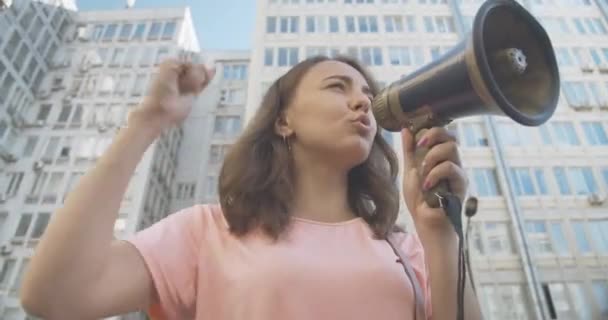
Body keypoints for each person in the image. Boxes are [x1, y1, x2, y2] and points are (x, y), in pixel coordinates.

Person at [20, 55, 482, 320]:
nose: (362, 100)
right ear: (283, 120)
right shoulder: (207, 232)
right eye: (337, 87)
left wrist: (441, 238)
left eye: (365, 91)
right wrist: (149, 121)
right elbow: (56, 293)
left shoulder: (407, 249)